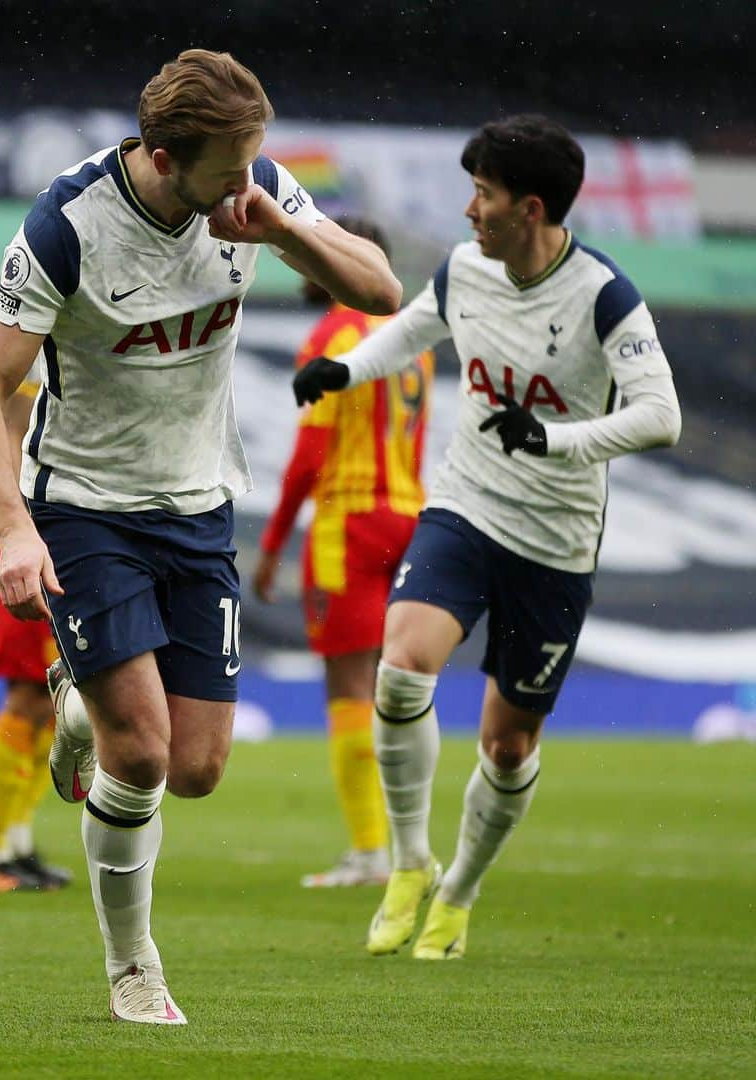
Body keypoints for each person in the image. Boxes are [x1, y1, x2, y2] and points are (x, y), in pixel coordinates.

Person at [0, 48, 401, 1024]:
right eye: (229, 170)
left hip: (201, 509)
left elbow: (381, 294)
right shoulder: (67, 225)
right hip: (84, 507)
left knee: (197, 769)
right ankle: (132, 967)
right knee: (146, 756)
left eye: (255, 163)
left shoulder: (261, 194)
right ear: (162, 156)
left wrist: (285, 228)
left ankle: (81, 702)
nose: (247, 182)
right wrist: (13, 533)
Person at [293, 114, 681, 960]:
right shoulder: (467, 268)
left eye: (484, 194)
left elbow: (663, 415)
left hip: (555, 542)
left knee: (507, 745)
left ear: (530, 208)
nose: (470, 211)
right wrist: (345, 369)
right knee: (400, 667)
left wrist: (555, 438)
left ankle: (458, 892)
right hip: (466, 507)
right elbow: (415, 326)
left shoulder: (604, 295)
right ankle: (408, 863)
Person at [252, 216, 433, 889]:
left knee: (349, 688)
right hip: (411, 515)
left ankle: (368, 851)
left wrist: (271, 546)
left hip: (348, 524)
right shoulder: (412, 337)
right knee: (400, 684)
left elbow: (308, 457)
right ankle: (407, 842)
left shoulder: (332, 337)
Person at [0, 375, 72, 893]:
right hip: (24, 542)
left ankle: (15, 843)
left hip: (59, 541)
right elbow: (3, 434)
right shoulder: (22, 355)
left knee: (53, 700)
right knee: (28, 694)